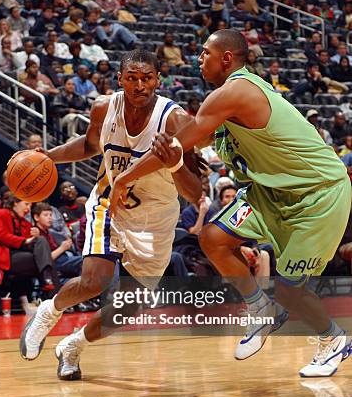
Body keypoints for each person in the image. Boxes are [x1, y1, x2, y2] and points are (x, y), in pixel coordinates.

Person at [110, 29, 352, 378]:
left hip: (317, 194)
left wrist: (124, 177)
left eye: (205, 53)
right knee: (213, 238)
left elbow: (177, 146)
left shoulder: (235, 92)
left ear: (226, 58)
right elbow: (185, 147)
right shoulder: (225, 103)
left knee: (289, 290)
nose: (199, 59)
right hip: (271, 193)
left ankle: (333, 339)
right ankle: (259, 307)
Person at [19, 49, 202, 379]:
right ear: (120, 80)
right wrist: (49, 157)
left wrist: (174, 162)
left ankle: (74, 345)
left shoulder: (174, 121)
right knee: (95, 281)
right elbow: (90, 145)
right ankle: (48, 312)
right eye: (132, 78)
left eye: (147, 78)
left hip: (155, 219)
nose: (140, 85)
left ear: (158, 81)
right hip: (109, 205)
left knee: (129, 306)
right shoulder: (104, 107)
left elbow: (194, 191)